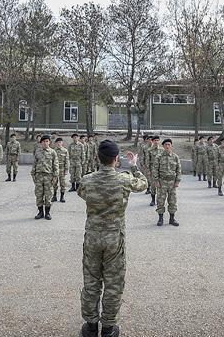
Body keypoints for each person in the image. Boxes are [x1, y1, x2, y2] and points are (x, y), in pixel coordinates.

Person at [78, 141, 146, 337]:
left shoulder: (87, 180)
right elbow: (143, 185)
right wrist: (134, 165)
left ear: (98, 158)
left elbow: (82, 193)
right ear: (116, 159)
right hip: (114, 238)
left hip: (92, 237)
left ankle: (90, 326)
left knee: (91, 281)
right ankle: (108, 328)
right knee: (113, 282)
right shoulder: (124, 180)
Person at [152, 138, 181, 227]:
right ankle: (160, 219)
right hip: (162, 182)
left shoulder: (175, 157)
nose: (167, 146)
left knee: (172, 201)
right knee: (160, 201)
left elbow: (179, 170)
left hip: (172, 183)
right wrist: (156, 181)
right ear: (163, 146)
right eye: (165, 145)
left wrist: (177, 181)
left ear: (171, 146)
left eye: (169, 144)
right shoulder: (159, 157)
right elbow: (155, 169)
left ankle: (172, 219)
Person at [32, 135, 59, 220]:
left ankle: (47, 213)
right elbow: (34, 164)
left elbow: (56, 165)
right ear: (41, 143)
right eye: (43, 141)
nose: (45, 143)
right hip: (39, 176)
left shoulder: (52, 152)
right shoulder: (37, 152)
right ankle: (40, 212)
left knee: (48, 195)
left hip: (48, 176)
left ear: (49, 142)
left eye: (47, 141)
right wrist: (33, 175)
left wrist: (55, 176)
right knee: (39, 195)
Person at [52, 137, 70, 202]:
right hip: (55, 170)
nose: (59, 144)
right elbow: (51, 160)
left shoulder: (65, 151)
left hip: (62, 169)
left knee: (63, 184)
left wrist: (66, 170)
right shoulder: (53, 151)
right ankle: (54, 196)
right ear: (56, 143)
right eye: (57, 142)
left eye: (60, 142)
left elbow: (67, 161)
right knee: (54, 184)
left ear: (62, 143)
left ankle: (62, 197)